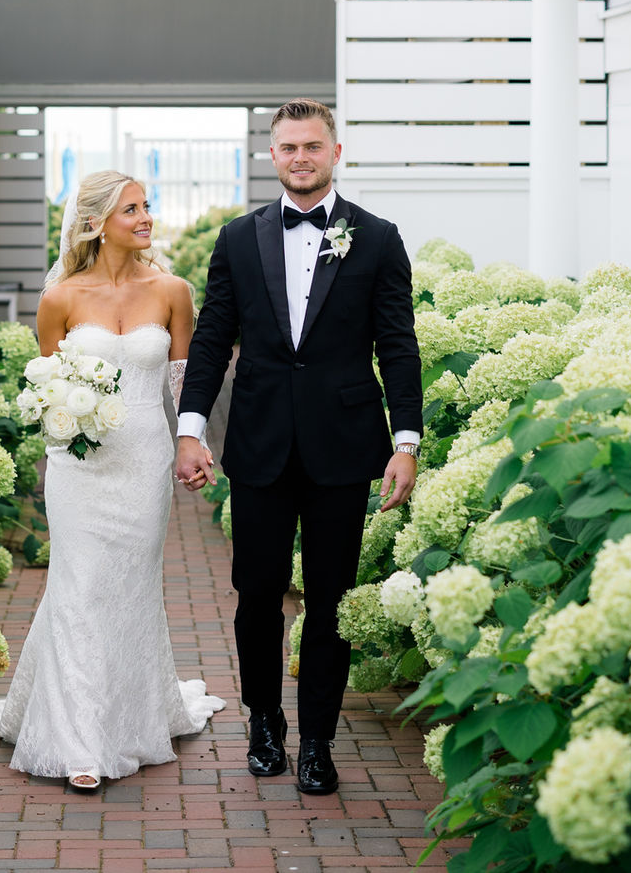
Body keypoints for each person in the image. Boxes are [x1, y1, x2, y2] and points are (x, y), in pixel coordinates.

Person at [175, 99, 422, 796]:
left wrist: (406, 441)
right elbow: (212, 341)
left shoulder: (376, 238)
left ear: (335, 153)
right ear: (273, 156)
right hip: (257, 445)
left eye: (313, 146)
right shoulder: (237, 238)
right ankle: (263, 723)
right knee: (255, 593)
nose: (301, 158)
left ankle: (317, 741)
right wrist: (191, 430)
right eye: (288, 148)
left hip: (347, 447)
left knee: (331, 598)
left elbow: (398, 347)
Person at [0, 170, 223, 791]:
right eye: (130, 209)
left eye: (146, 206)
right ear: (95, 222)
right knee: (77, 588)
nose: (145, 218)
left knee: (130, 587)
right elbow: (44, 387)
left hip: (143, 461)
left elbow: (185, 384)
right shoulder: (61, 299)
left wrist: (195, 442)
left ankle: (132, 715)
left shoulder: (173, 291)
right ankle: (78, 741)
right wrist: (66, 426)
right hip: (80, 466)